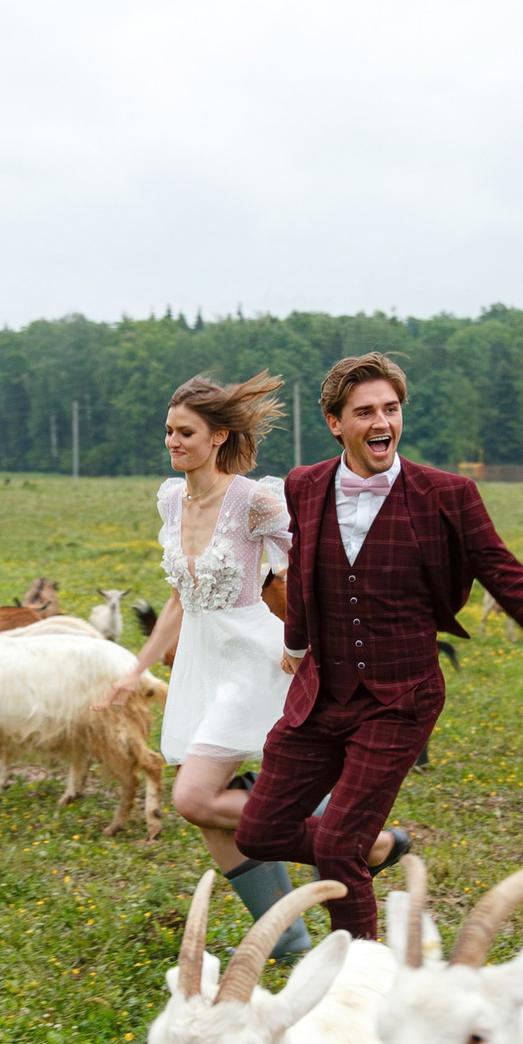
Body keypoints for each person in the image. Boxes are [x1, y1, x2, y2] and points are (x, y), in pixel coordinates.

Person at [235, 352, 523, 940]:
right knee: (259, 833)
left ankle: (362, 983)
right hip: (320, 695)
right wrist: (295, 641)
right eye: (365, 411)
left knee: (337, 852)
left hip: (399, 700)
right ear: (334, 422)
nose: (382, 422)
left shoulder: (448, 495)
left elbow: (515, 585)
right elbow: (302, 572)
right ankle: (364, 847)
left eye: (391, 409)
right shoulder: (305, 484)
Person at [99, 372, 401, 956]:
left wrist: (311, 640)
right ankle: (288, 940)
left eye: (185, 432)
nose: (172, 442)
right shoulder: (170, 498)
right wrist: (136, 670)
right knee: (215, 815)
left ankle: (366, 846)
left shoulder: (253, 500)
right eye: (168, 431)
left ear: (218, 437)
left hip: (253, 659)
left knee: (193, 797)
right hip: (198, 666)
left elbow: (312, 566)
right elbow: (180, 594)